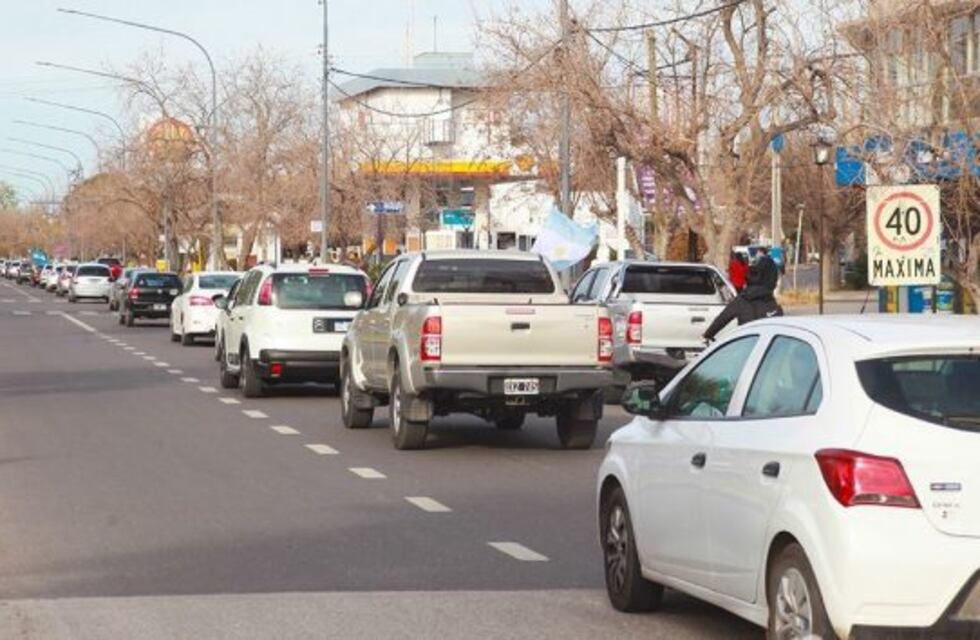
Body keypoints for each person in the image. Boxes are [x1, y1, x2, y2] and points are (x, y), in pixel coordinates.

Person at [703, 260, 783, 342]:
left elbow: (721, 320)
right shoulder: (771, 302)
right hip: (768, 347)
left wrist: (708, 335)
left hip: (745, 345)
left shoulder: (742, 299)